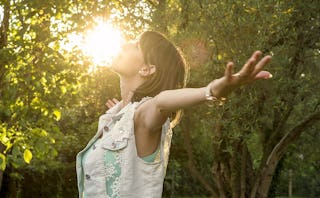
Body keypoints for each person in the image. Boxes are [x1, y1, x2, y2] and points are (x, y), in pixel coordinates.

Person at [76, 31, 272, 198]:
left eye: (136, 45)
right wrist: (117, 115)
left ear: (147, 69)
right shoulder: (117, 118)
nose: (126, 44)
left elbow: (161, 102)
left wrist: (212, 90)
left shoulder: (143, 114)